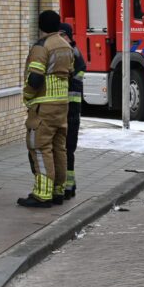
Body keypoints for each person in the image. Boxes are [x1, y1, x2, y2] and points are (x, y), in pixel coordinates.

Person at [19, 10, 74, 208]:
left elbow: (35, 78)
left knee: (40, 148)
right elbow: (70, 72)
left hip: (43, 107)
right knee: (59, 149)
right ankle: (58, 191)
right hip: (62, 107)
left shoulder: (41, 47)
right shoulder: (66, 46)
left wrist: (27, 96)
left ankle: (42, 194)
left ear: (40, 26)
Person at [59, 22, 86, 199]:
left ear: (68, 36)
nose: (60, 39)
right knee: (67, 149)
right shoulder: (73, 52)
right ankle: (69, 185)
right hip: (70, 109)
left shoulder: (71, 54)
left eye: (62, 35)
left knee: (67, 149)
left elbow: (72, 80)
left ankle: (68, 186)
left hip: (70, 110)